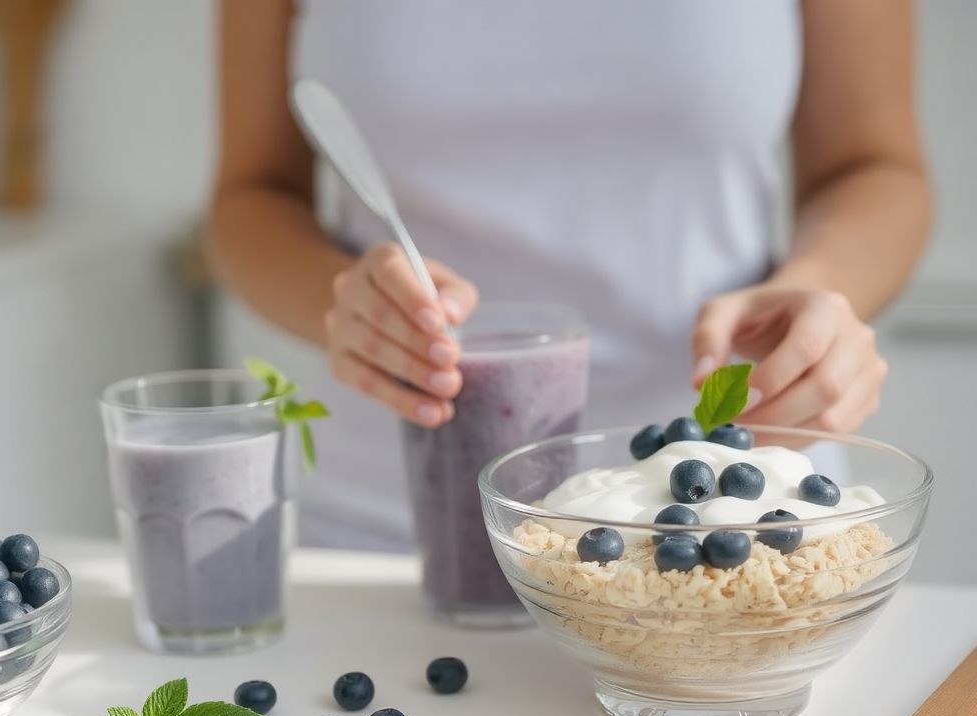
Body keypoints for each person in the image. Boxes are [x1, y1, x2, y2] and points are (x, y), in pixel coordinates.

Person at [207, 0, 931, 551]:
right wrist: (341, 303)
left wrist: (821, 283)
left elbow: (874, 167)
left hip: (736, 520)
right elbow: (250, 197)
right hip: (386, 530)